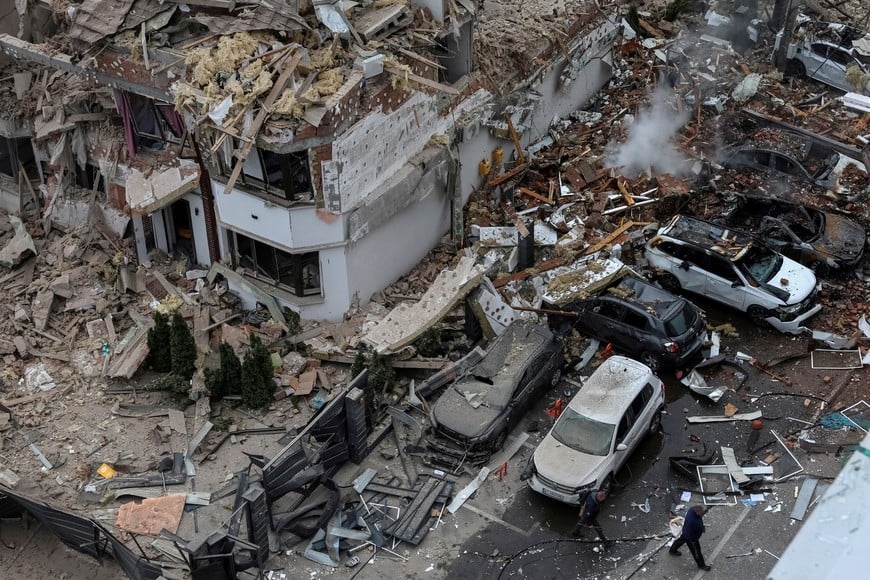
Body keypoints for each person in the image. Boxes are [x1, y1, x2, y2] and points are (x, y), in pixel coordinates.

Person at [670, 505, 711, 571]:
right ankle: (701, 565)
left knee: (681, 540)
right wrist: (694, 540)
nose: (703, 514)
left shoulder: (692, 510)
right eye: (702, 513)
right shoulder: (694, 521)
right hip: (691, 537)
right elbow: (694, 532)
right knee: (696, 551)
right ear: (698, 513)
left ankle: (672, 550)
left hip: (686, 531)